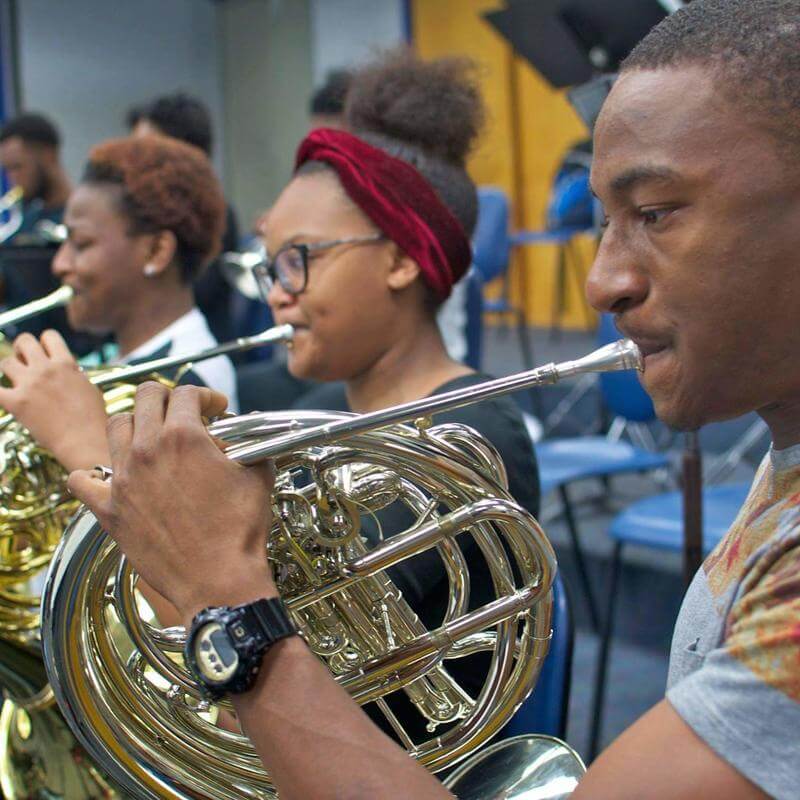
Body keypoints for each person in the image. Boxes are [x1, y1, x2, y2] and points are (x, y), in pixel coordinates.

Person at [68, 0, 800, 789]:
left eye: (654, 213)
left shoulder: (471, 433)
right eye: (605, 223)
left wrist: (227, 598)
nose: (600, 283)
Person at [0, 134, 237, 475]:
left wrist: (73, 436)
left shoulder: (194, 378)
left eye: (81, 244)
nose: (59, 264)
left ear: (156, 251)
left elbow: (172, 521)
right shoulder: (119, 357)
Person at [126, 92, 241, 344]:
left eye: (148, 152)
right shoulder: (141, 214)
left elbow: (191, 293)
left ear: (187, 154)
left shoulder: (217, 215)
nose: (136, 165)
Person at [0, 112, 71, 244]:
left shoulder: (83, 219)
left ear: (48, 155)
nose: (12, 178)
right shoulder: (27, 223)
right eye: (7, 170)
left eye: (17, 167)